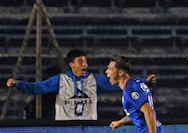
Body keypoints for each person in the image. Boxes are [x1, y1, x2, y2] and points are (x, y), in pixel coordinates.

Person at [6, 49, 156, 121]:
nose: (85, 64)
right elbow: (37, 88)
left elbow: (120, 83)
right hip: (65, 128)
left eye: (85, 61)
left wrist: (145, 82)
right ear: (72, 65)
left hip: (89, 127)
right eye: (80, 62)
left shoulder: (94, 80)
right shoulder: (60, 80)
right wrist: (18, 84)